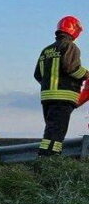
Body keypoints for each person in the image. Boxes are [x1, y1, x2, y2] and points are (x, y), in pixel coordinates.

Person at [34, 16, 87, 156]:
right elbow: (72, 68)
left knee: (51, 130)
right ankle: (52, 158)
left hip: (47, 98)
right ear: (74, 30)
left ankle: (45, 157)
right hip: (63, 97)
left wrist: (49, 86)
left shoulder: (46, 50)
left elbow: (37, 75)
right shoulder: (70, 47)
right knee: (57, 132)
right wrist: (86, 75)